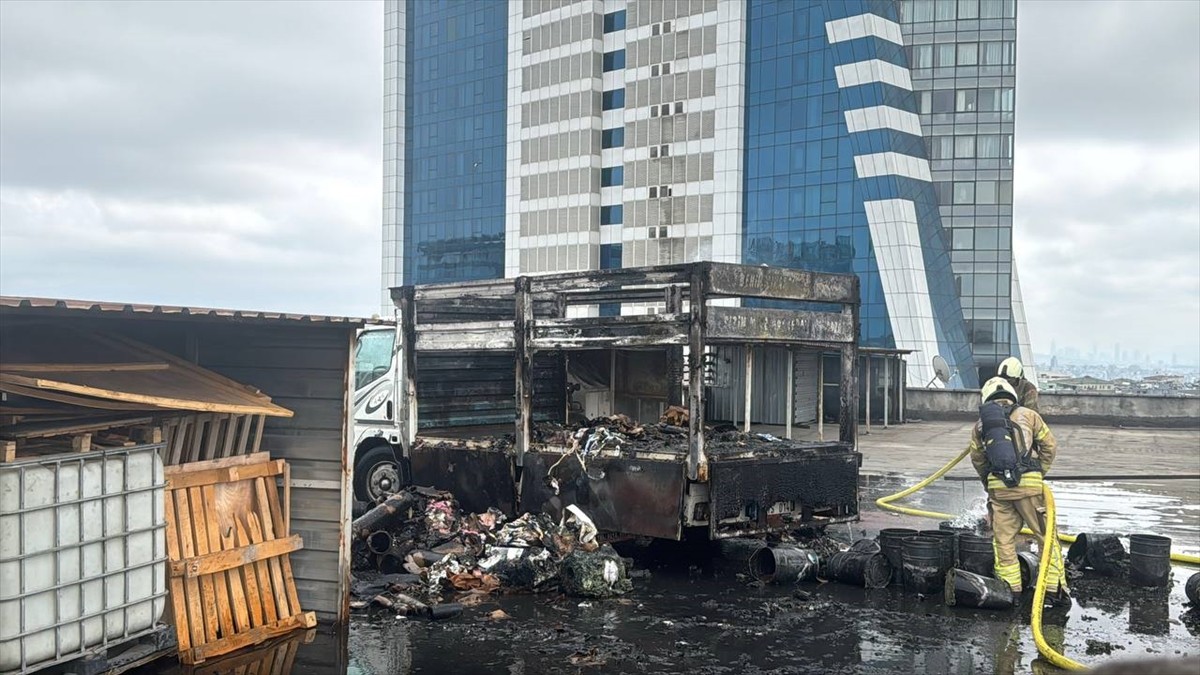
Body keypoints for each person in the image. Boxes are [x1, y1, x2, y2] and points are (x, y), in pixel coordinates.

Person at [967, 377, 1069, 606]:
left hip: (999, 490)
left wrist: (989, 484)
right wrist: (1038, 472)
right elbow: (1050, 446)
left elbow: (978, 459)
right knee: (1046, 537)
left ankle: (1010, 591)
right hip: (1030, 487)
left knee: (1003, 541)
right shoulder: (1029, 415)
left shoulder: (980, 425)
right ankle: (1052, 590)